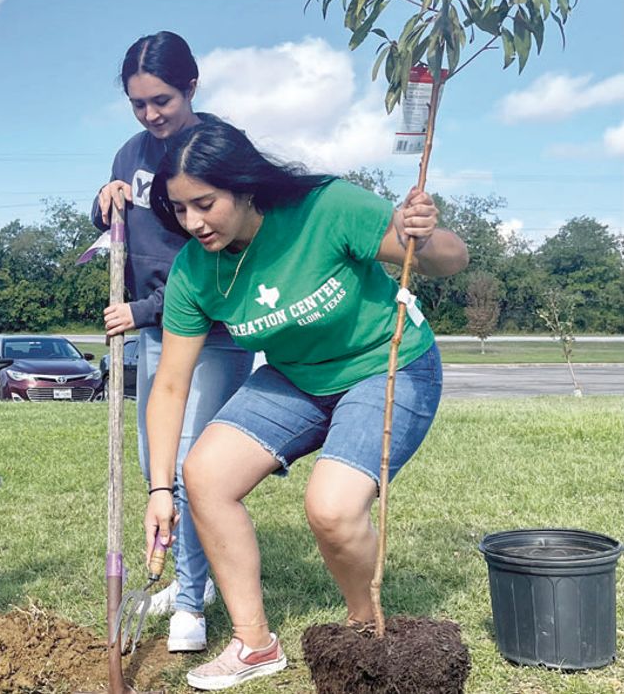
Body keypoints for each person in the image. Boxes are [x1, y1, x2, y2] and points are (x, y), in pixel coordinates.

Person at [142, 118, 469, 690]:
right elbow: (170, 385)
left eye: (205, 203)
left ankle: (368, 636)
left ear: (245, 186)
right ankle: (254, 645)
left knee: (333, 509)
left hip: (387, 364)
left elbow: (450, 259)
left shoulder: (326, 208)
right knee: (204, 475)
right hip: (296, 378)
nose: (192, 223)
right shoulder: (195, 272)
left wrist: (423, 233)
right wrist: (159, 490)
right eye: (179, 209)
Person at [91, 31, 254, 653]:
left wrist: (143, 308)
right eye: (138, 103)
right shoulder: (130, 151)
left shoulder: (218, 148)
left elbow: (227, 252)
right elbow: (122, 227)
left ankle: (190, 603)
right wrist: (103, 200)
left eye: (161, 100)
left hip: (214, 331)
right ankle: (193, 575)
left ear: (192, 85)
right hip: (153, 333)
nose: (150, 115)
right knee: (155, 465)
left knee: (192, 468)